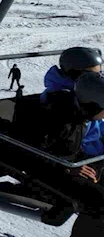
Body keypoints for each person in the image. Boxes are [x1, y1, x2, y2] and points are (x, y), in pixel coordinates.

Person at [39, 72, 104, 235]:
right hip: (55, 174)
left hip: (76, 166)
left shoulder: (83, 117)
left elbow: (80, 148)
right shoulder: (65, 120)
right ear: (94, 105)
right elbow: (40, 152)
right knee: (99, 203)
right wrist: (68, 168)